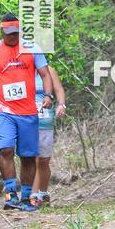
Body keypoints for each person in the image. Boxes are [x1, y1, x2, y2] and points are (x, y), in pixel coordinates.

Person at [0, 13, 53, 211]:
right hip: (3, 111)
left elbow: (45, 74)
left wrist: (48, 96)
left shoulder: (32, 49)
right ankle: (11, 195)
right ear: (1, 30)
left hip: (28, 111)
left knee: (27, 156)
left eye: (16, 33)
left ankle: (26, 197)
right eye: (9, 33)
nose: (13, 37)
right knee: (6, 149)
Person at [31, 65, 67, 207]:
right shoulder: (20, 69)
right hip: (27, 121)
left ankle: (43, 193)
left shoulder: (49, 70)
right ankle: (33, 196)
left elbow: (59, 89)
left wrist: (61, 105)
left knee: (43, 160)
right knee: (32, 159)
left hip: (45, 121)